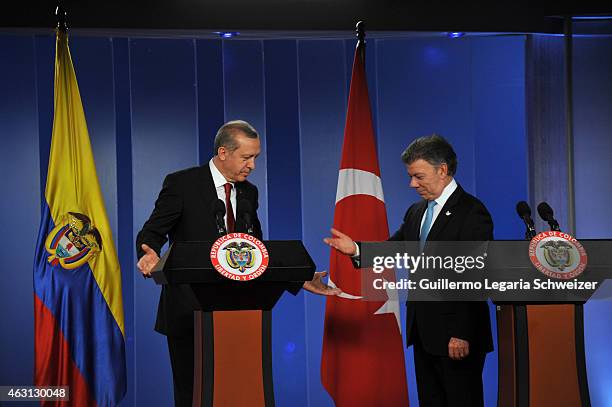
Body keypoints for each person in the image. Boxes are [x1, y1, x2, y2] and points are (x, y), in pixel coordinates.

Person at [136, 120, 339, 406]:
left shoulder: (248, 193)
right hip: (189, 310)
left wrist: (298, 278)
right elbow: (152, 232)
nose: (253, 165)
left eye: (256, 157)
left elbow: (254, 252)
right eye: (247, 157)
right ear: (223, 153)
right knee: (192, 395)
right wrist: (149, 254)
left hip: (239, 309)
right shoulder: (182, 183)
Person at [324, 134, 493, 407]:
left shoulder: (472, 212)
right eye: (411, 176)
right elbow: (398, 248)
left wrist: (461, 331)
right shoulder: (417, 212)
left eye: (418, 176)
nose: (412, 184)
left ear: (442, 170)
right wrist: (356, 249)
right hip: (424, 332)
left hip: (456, 335)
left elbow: (474, 274)